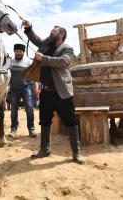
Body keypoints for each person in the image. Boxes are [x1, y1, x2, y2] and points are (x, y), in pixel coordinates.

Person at [23, 20, 85, 164]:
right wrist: (29, 28)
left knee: (70, 121)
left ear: (61, 34)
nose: (51, 32)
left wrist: (43, 58)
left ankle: (76, 153)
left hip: (62, 91)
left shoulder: (67, 48)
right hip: (46, 92)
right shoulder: (46, 45)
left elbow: (63, 62)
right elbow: (36, 39)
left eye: (54, 31)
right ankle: (45, 150)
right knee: (44, 121)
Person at [8, 43, 37, 138]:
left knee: (29, 108)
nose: (18, 53)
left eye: (20, 51)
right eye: (16, 51)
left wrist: (35, 87)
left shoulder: (28, 62)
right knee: (13, 111)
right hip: (13, 89)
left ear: (23, 52)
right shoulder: (10, 62)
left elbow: (32, 75)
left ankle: (31, 129)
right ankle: (13, 129)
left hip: (26, 88)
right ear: (14, 52)